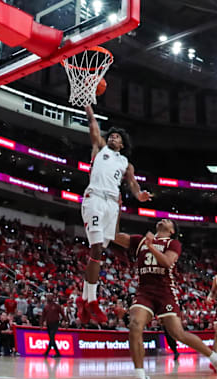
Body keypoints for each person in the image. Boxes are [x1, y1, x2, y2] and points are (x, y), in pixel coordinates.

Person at [112, 219, 217, 379]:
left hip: (165, 291)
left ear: (172, 230)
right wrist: (116, 212)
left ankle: (216, 358)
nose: (163, 220)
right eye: (162, 219)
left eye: (168, 221)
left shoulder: (173, 243)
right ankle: (141, 378)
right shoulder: (139, 240)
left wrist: (151, 246)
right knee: (135, 325)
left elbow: (167, 262)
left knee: (177, 333)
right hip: (144, 291)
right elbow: (113, 236)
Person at [78, 104, 152, 325]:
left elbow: (133, 185)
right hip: (95, 198)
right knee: (97, 247)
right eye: (112, 135)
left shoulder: (125, 164)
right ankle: (92, 301)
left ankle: (83, 301)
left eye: (118, 137)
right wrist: (88, 109)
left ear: (123, 143)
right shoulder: (100, 148)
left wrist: (140, 196)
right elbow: (93, 126)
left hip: (112, 204)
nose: (113, 138)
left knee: (101, 249)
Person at [41, 293, 64, 358]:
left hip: (55, 324)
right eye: (47, 297)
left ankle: (46, 352)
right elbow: (43, 316)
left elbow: (62, 314)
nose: (48, 298)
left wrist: (66, 321)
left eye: (50, 297)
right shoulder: (46, 307)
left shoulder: (56, 306)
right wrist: (41, 324)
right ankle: (58, 353)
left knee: (51, 338)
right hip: (48, 324)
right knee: (52, 339)